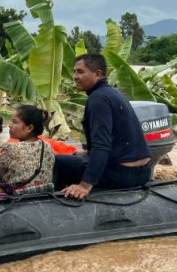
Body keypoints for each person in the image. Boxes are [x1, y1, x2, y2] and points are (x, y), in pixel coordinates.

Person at [56, 54, 151, 200]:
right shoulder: (113, 92)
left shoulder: (98, 99)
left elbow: (102, 145)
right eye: (74, 72)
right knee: (75, 156)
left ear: (98, 74)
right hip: (143, 172)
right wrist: (87, 152)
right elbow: (116, 138)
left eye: (80, 72)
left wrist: (84, 186)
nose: (75, 76)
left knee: (58, 161)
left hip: (122, 175)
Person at [0, 105, 55, 195]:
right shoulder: (48, 146)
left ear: (29, 128)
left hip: (13, 199)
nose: (10, 125)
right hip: (41, 197)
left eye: (15, 122)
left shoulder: (11, 148)